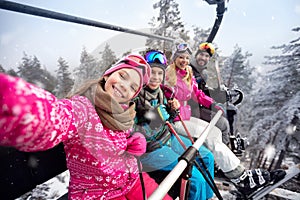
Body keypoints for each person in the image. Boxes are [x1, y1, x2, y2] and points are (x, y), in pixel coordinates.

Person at [0, 54, 172, 200]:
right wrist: (19, 105)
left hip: (132, 179)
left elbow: (118, 140)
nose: (124, 86)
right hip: (98, 193)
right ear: (107, 74)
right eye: (122, 76)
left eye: (133, 87)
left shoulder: (124, 112)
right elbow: (55, 119)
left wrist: (132, 141)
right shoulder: (83, 108)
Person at [164, 43, 286, 196]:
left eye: (186, 58)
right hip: (176, 119)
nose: (184, 61)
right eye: (181, 57)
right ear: (175, 58)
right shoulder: (168, 75)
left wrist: (214, 104)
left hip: (186, 116)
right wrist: (171, 106)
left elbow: (199, 95)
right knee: (208, 135)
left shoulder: (187, 73)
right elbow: (165, 97)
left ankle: (226, 165)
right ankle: (239, 176)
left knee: (215, 131)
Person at [133, 50, 215, 200]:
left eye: (159, 74)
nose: (156, 78)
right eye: (152, 73)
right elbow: (132, 132)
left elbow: (167, 121)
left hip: (167, 138)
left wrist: (172, 112)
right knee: (196, 179)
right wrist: (155, 119)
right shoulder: (136, 96)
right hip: (151, 149)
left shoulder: (159, 93)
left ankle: (207, 197)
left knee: (207, 157)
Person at [189, 42, 231, 145]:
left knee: (227, 114)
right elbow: (195, 93)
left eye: (206, 56)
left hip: (196, 105)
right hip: (191, 108)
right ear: (196, 55)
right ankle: (221, 151)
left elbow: (201, 90)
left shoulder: (202, 72)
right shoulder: (189, 70)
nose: (203, 58)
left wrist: (216, 94)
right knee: (224, 125)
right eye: (201, 54)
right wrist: (211, 103)